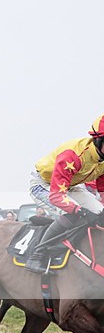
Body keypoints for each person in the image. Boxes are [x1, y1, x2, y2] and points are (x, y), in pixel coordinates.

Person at [25, 114, 104, 273]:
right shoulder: (73, 155)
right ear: (99, 140)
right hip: (44, 185)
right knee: (74, 213)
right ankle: (36, 255)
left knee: (99, 212)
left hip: (70, 186)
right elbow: (56, 196)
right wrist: (81, 211)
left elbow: (102, 190)